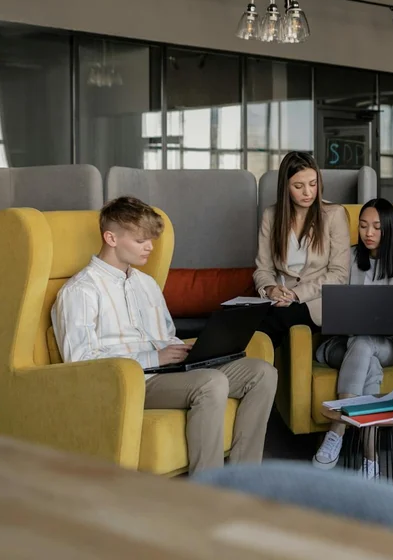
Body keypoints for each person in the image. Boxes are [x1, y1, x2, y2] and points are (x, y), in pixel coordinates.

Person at [52, 196, 278, 474]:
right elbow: (80, 361)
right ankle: (210, 490)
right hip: (131, 382)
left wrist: (196, 349)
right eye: (140, 240)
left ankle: (245, 479)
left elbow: (166, 335)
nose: (150, 247)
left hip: (170, 371)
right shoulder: (80, 291)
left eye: (151, 239)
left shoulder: (146, 284)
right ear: (111, 238)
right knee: (211, 382)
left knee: (262, 372)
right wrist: (153, 357)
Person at [311, 198, 393, 475]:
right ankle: (370, 458)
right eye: (363, 226)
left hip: (387, 344)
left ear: (389, 228)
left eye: (376, 227)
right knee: (364, 352)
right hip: (341, 344)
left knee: (366, 345)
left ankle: (337, 431)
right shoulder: (348, 257)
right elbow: (325, 296)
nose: (368, 233)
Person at [254, 151, 351, 348]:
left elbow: (339, 274)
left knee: (272, 321)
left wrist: (296, 294)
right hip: (281, 300)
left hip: (319, 300)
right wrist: (271, 289)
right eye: (298, 186)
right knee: (235, 318)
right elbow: (263, 269)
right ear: (286, 187)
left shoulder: (334, 214)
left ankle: (250, 374)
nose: (308, 193)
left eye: (313, 184)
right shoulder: (271, 216)